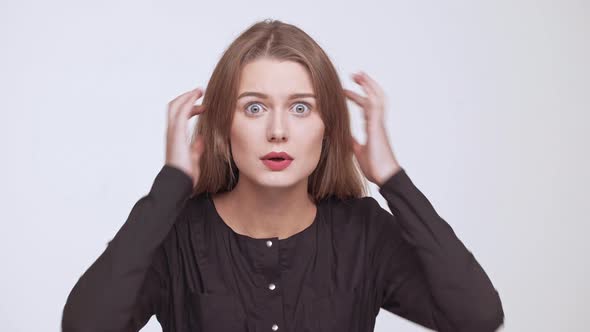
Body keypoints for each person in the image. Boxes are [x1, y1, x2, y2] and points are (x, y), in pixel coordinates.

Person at [61, 19, 504, 332]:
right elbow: (86, 325)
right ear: (221, 124)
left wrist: (393, 180)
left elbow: (477, 317)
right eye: (254, 107)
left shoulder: (365, 233)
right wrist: (172, 185)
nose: (277, 131)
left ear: (327, 126)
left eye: (300, 107)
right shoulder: (176, 235)